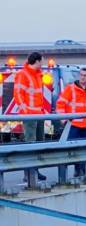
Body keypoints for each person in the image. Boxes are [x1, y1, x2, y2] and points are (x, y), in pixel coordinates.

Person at [13, 52, 46, 180]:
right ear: (37, 61)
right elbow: (18, 94)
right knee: (30, 143)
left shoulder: (38, 75)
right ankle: (28, 173)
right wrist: (25, 112)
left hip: (38, 114)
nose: (42, 63)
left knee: (38, 144)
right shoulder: (23, 74)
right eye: (41, 61)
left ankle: (35, 170)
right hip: (30, 115)